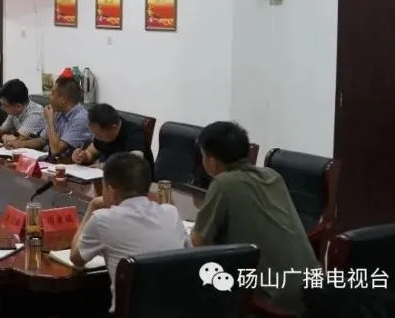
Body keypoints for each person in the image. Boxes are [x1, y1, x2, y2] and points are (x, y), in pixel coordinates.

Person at [191, 121, 318, 315]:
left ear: (212, 162)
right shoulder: (272, 176)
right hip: (315, 290)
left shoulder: (224, 183)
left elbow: (197, 243)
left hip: (274, 300)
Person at [70, 152, 190, 314]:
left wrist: (92, 206)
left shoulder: (102, 219)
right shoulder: (171, 213)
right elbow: (189, 254)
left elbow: (76, 259)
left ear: (111, 190)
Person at [72, 103, 155, 173]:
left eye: (98, 134)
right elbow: (91, 152)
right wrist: (83, 156)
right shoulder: (103, 133)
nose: (96, 137)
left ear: (113, 127)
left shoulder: (134, 133)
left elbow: (134, 163)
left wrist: (106, 166)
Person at [21, 77, 91, 156]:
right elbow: (42, 140)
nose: (49, 97)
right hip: (49, 157)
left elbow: (56, 150)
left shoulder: (81, 118)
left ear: (63, 98)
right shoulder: (59, 111)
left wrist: (50, 121)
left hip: (66, 161)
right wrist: (21, 144)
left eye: (52, 94)